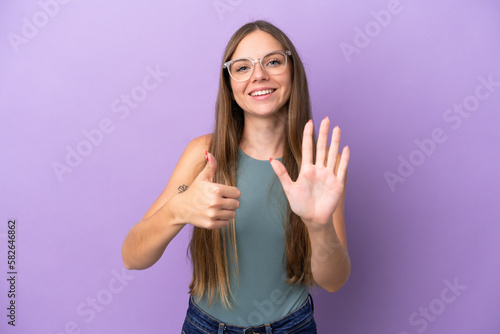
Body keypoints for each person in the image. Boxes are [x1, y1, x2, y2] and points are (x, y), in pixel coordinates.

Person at [121, 20, 351, 333]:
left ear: (293, 71)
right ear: (229, 84)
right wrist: (177, 211)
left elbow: (334, 281)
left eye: (272, 61)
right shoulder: (202, 154)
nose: (259, 75)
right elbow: (133, 257)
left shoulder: (321, 165)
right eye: (242, 67)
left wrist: (318, 226)